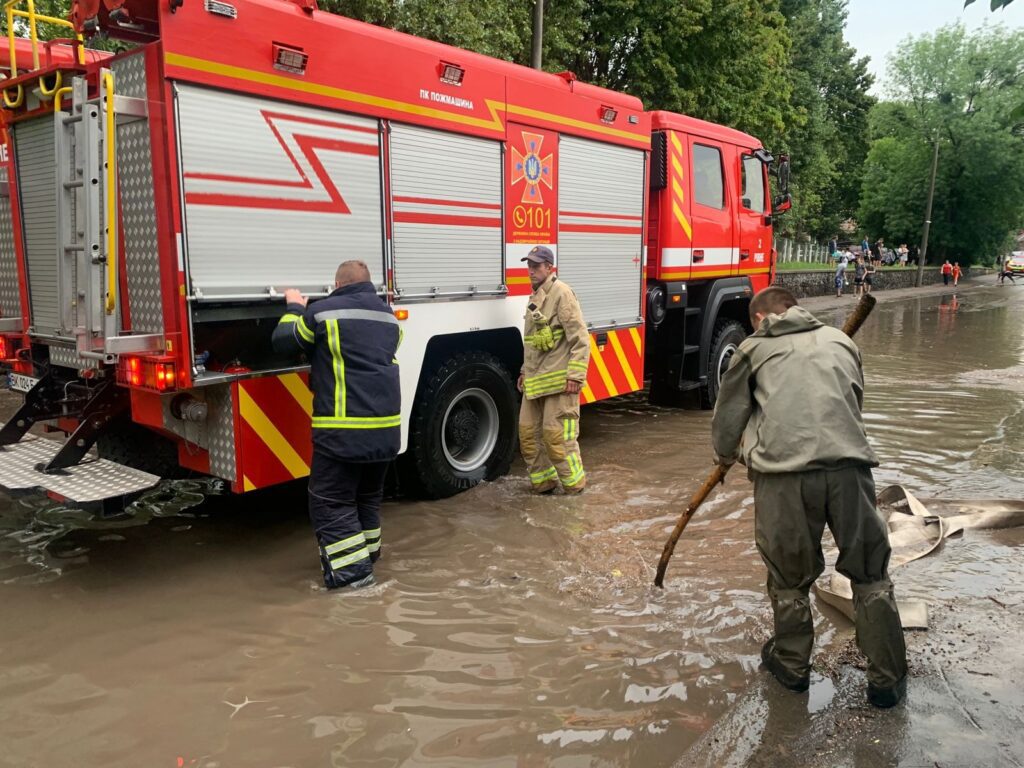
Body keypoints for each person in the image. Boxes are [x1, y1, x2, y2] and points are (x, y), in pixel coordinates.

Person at [711, 286, 908, 708]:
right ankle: (887, 681)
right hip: (850, 469)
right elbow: (853, 401)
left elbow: (728, 418)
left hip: (784, 477)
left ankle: (793, 667)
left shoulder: (752, 349)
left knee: (788, 578)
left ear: (760, 319)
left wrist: (727, 457)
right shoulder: (841, 341)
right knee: (871, 574)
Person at [273, 260, 401, 590]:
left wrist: (293, 308)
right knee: (367, 498)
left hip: (344, 432)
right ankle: (369, 556)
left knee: (331, 502)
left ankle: (354, 581)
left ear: (336, 284)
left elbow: (285, 342)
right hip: (386, 432)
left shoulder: (324, 313)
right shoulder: (388, 316)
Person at [518, 245, 590, 494]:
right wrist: (524, 371)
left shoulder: (561, 293)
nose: (531, 271)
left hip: (559, 382)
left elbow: (580, 338)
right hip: (535, 382)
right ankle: (544, 488)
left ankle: (575, 492)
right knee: (528, 437)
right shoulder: (535, 297)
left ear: (550, 267)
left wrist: (575, 375)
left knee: (557, 439)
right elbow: (531, 344)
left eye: (536, 266)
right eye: (529, 266)